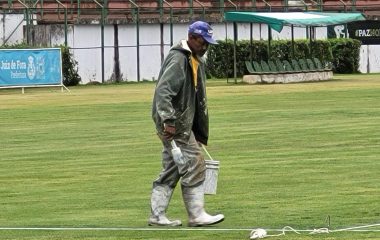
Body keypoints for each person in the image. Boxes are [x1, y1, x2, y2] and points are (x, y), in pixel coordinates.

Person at [149, 21, 224, 227]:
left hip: (180, 123)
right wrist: (168, 121)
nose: (205, 46)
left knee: (173, 168)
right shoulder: (179, 59)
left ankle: (157, 215)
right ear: (192, 38)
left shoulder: (191, 58)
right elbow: (163, 92)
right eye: (202, 42)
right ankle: (196, 215)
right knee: (195, 163)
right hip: (176, 124)